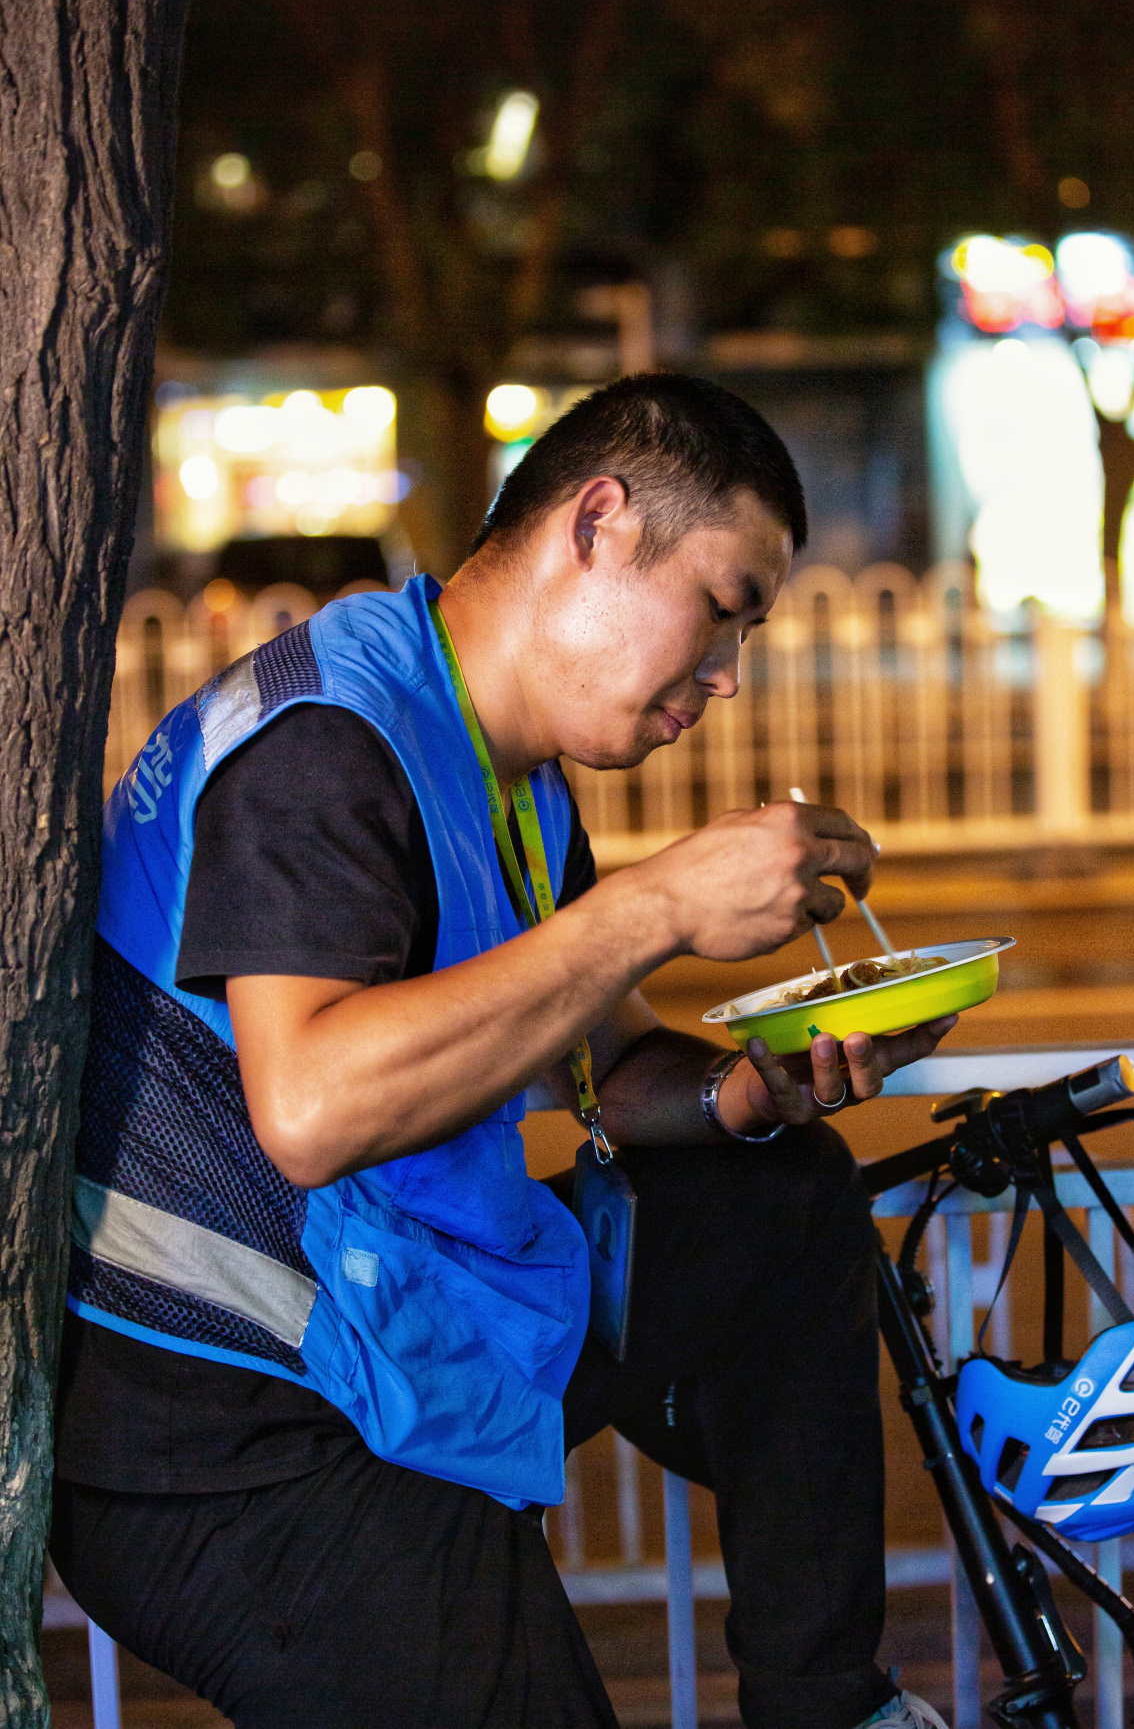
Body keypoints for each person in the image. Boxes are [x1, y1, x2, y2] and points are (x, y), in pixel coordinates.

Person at [52, 374, 957, 1729]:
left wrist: (750, 1088)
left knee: (785, 1194)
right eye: (721, 609)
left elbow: (605, 1068)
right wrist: (648, 906)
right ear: (595, 521)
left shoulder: (511, 768)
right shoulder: (326, 740)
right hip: (225, 1433)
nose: (723, 675)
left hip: (401, 1315)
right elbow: (309, 1105)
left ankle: (828, 1707)